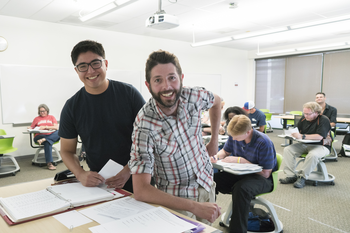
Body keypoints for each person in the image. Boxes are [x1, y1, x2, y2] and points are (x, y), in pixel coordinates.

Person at [128, 50, 222, 224]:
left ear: (181, 78)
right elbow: (141, 190)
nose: (167, 86)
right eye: (158, 80)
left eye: (172, 77)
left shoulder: (194, 96)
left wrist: (214, 139)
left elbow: (217, 102)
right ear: (148, 85)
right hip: (175, 199)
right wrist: (194, 206)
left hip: (206, 181)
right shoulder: (144, 125)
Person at [58, 40, 145, 192]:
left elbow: (149, 139)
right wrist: (80, 174)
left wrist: (128, 170)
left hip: (139, 175)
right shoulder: (72, 107)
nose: (90, 71)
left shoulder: (129, 94)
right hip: (101, 183)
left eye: (96, 63)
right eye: (83, 66)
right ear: (76, 70)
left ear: (105, 64)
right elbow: (67, 151)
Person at [211, 114, 277, 233]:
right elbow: (225, 151)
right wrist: (216, 157)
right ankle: (206, 218)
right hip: (239, 174)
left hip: (262, 179)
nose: (234, 139)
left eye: (237, 137)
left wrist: (240, 160)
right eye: (232, 136)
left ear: (248, 132)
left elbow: (266, 173)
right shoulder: (234, 136)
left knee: (241, 189)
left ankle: (237, 230)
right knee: (213, 180)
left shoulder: (264, 142)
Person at [279, 102, 332, 189]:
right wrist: (292, 134)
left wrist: (302, 136)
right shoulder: (304, 119)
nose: (305, 115)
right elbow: (297, 130)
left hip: (321, 146)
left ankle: (302, 177)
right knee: (288, 150)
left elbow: (319, 137)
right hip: (305, 144)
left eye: (308, 114)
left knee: (313, 155)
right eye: (304, 113)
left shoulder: (323, 120)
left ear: (316, 112)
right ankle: (291, 176)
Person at [29, 104, 60, 170]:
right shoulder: (36, 119)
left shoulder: (51, 117)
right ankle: (49, 164)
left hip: (50, 135)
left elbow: (56, 127)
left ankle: (45, 139)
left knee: (59, 132)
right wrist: (30, 127)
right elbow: (31, 127)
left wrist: (45, 127)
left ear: (47, 110)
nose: (42, 113)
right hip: (39, 136)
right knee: (48, 142)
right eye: (40, 111)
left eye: (43, 111)